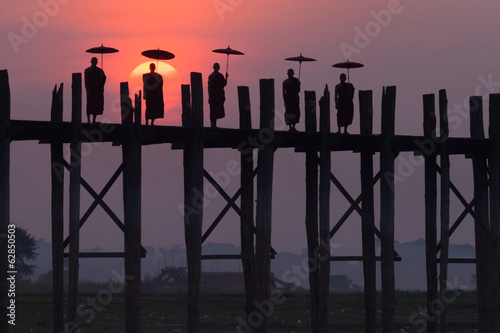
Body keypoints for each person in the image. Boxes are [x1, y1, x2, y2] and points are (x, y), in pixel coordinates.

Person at [84, 57, 106, 123]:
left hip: (97, 90)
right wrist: (87, 90)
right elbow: (86, 81)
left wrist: (103, 76)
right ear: (91, 62)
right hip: (90, 89)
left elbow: (103, 80)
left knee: (96, 104)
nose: (94, 63)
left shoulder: (100, 71)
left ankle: (94, 120)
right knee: (89, 105)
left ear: (97, 62)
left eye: (95, 61)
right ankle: (88, 119)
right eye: (93, 61)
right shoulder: (87, 70)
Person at [208, 62, 227, 128]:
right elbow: (209, 87)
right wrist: (210, 97)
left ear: (219, 68)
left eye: (217, 67)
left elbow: (224, 84)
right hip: (213, 95)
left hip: (219, 96)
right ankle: (211, 124)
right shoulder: (211, 76)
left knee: (216, 110)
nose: (216, 68)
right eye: (215, 67)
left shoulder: (221, 76)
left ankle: (215, 124)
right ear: (213, 67)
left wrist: (226, 78)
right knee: (212, 110)